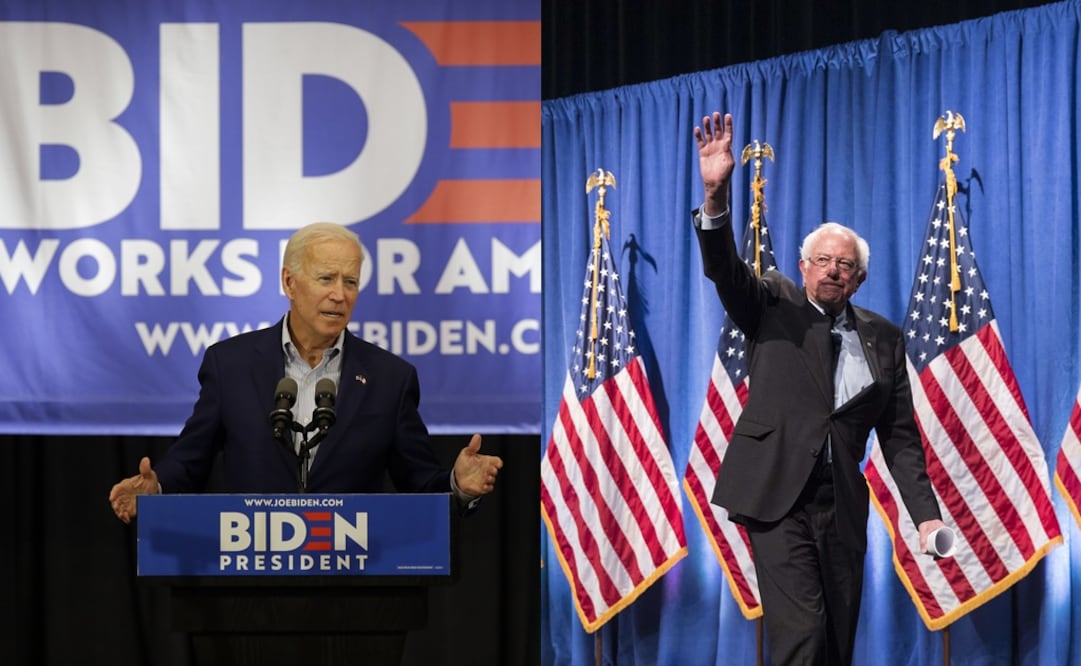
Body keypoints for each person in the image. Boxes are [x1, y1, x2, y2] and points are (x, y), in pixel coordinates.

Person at [693, 112, 947, 665]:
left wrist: (925, 515)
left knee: (834, 641)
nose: (832, 270)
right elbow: (725, 271)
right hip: (776, 496)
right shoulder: (772, 303)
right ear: (803, 267)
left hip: (841, 505)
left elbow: (900, 438)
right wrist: (715, 196)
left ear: (859, 279)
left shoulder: (884, 337)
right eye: (823, 261)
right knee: (803, 635)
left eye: (844, 265)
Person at [109, 222, 502, 522]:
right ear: (289, 282)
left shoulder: (390, 378)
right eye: (326, 278)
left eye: (351, 281)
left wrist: (458, 485)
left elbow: (419, 482)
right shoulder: (230, 365)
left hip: (356, 584)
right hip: (251, 581)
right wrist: (156, 489)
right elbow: (190, 460)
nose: (340, 294)